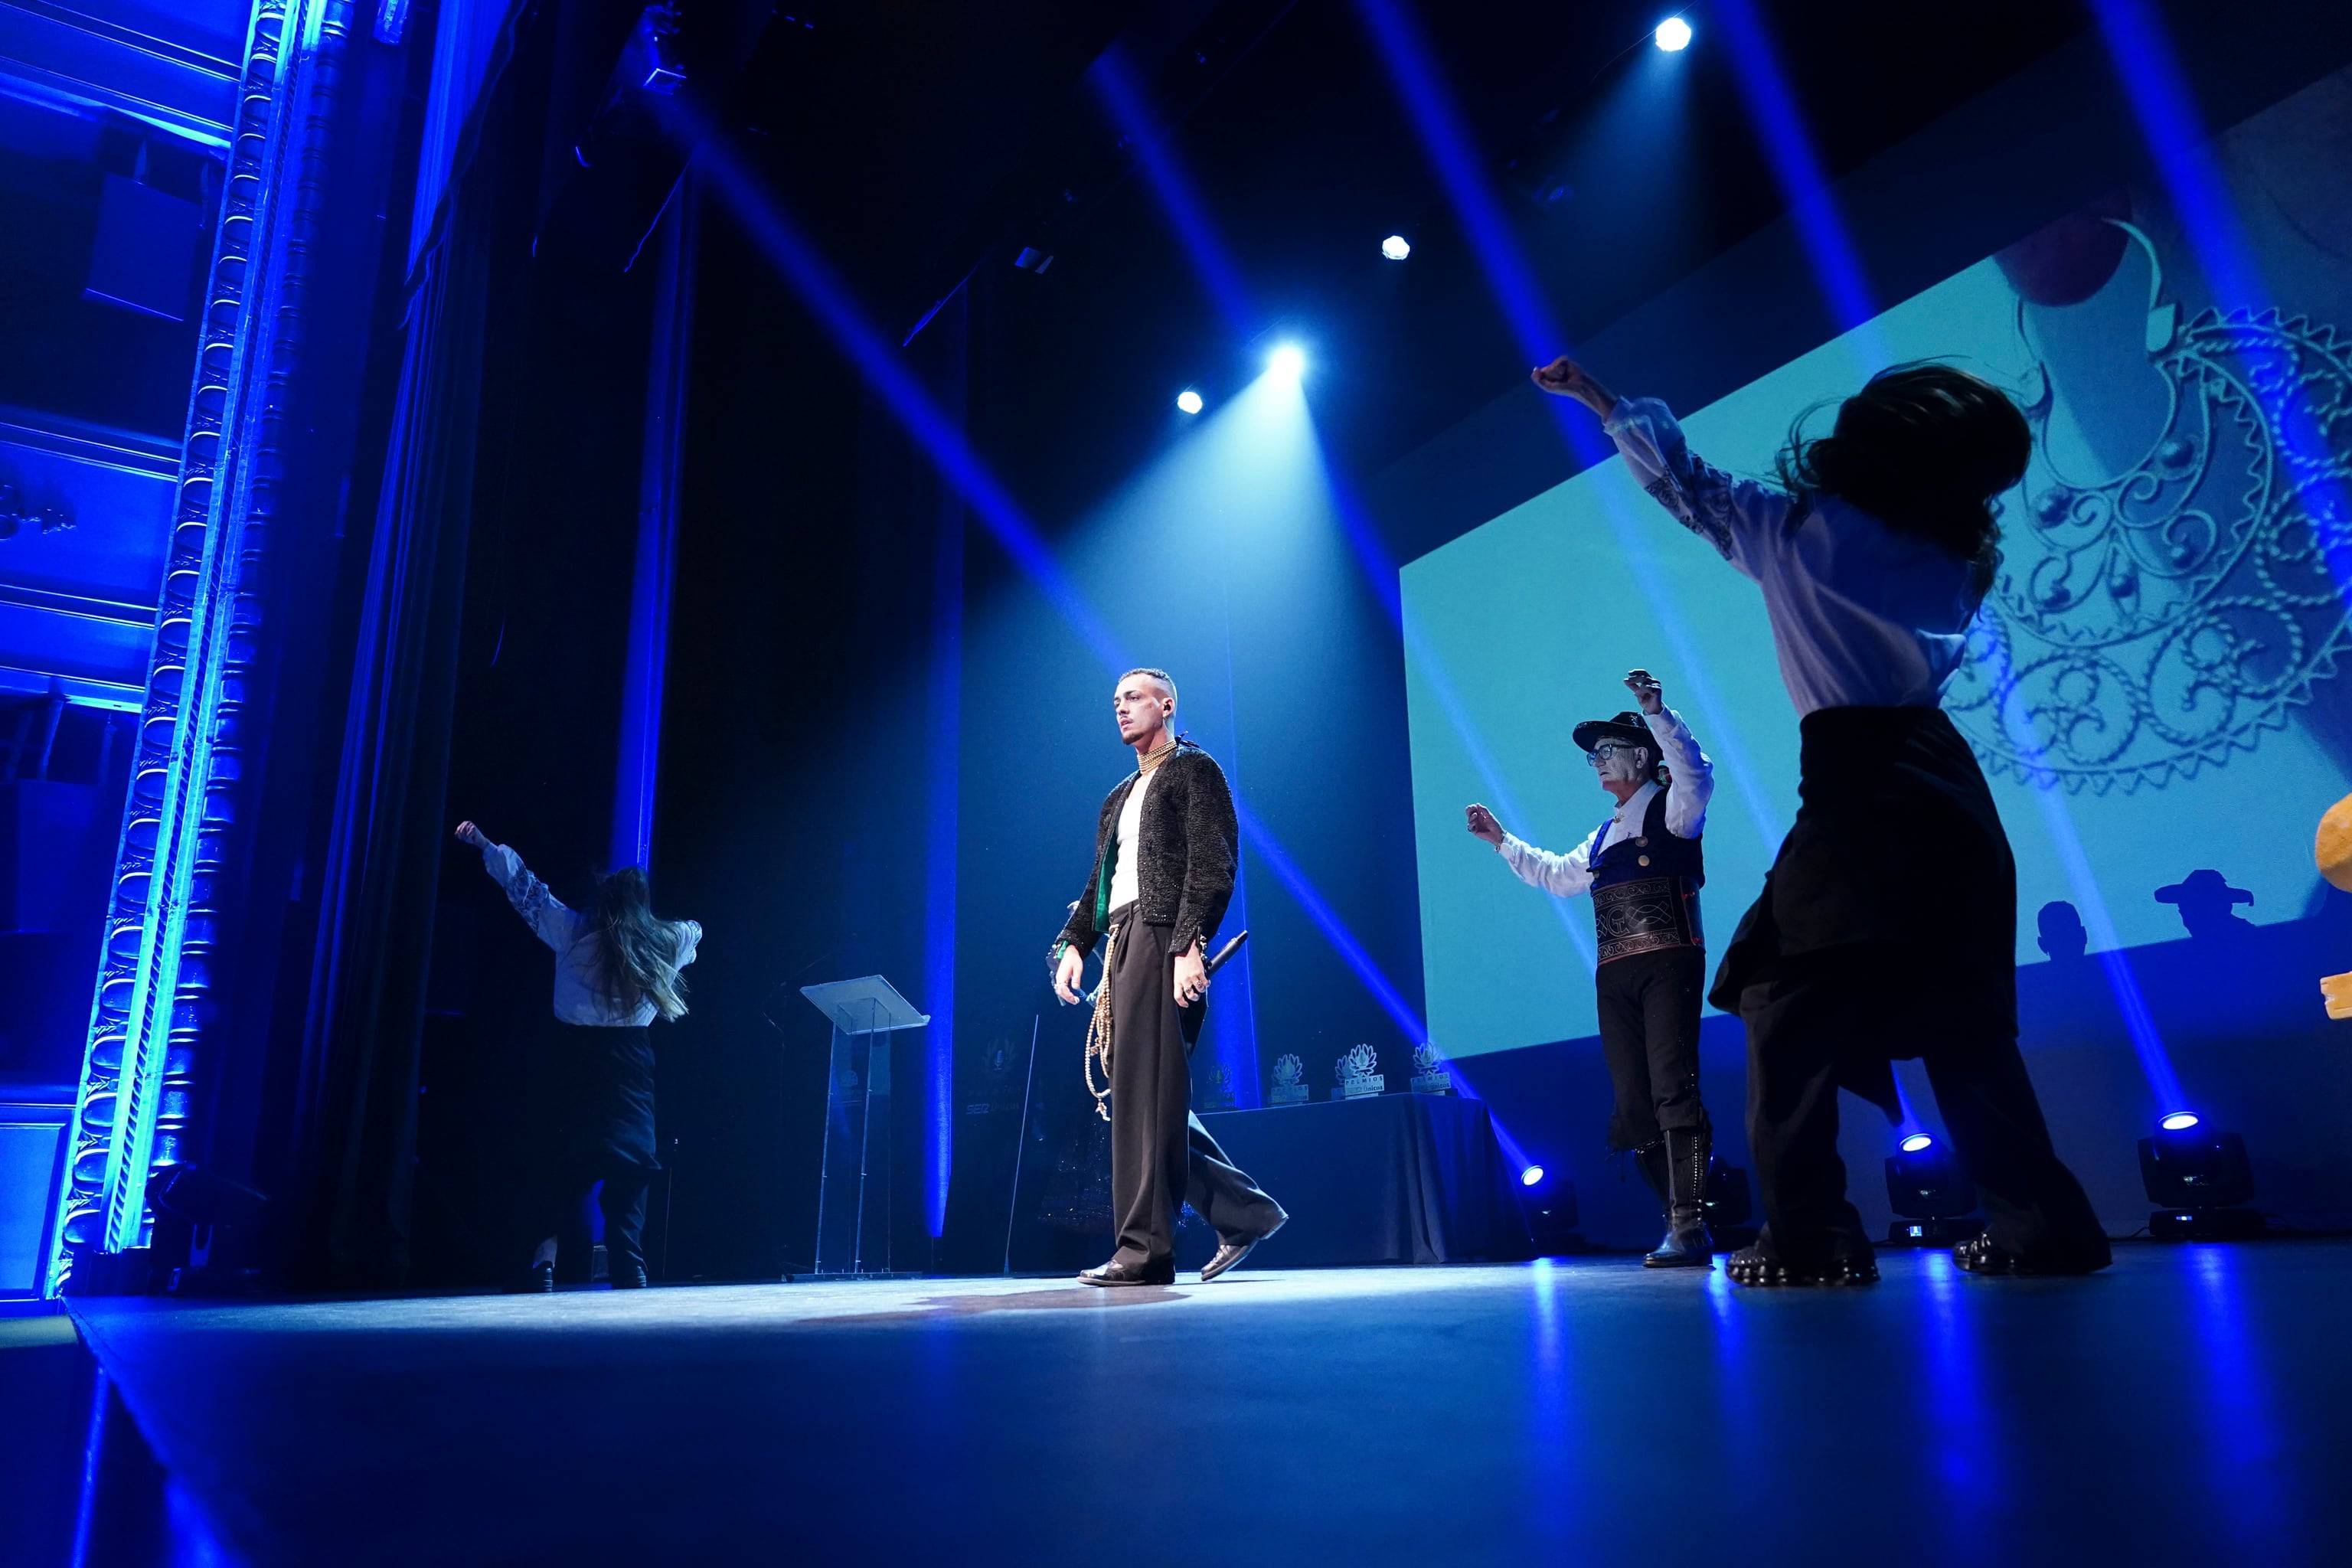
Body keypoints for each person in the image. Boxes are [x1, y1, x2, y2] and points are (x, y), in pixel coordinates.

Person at [1534, 353, 2110, 1285]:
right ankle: (2043, 1220)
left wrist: (1598, 396)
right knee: (1963, 1017)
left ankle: (1810, 1234)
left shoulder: (1802, 530)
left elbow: (1683, 481)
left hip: (1858, 782)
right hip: (1948, 789)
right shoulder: (1957, 559)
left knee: (1786, 999)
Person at [1465, 668, 1719, 1267]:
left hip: (1669, 962)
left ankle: (1690, 1223)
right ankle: (1672, 1220)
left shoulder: (1677, 809)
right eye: (1595, 756)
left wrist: (1659, 713)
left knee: (1672, 1086)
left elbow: (1695, 771)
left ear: (1639, 755)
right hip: (1616, 974)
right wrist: (1502, 840)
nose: (1599, 763)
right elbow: (1556, 876)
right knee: (1634, 1101)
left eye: (1607, 751)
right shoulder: (1603, 836)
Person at [1049, 668, 1286, 1285]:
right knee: (1145, 1098)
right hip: (1124, 942)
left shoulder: (1193, 771)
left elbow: (1212, 864)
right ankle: (1245, 1214)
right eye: (1115, 702)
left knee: (1148, 1099)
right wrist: (1077, 942)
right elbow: (1098, 886)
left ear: (1167, 704)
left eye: (1133, 698)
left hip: (1164, 938)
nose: (1121, 709)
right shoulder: (1117, 797)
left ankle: (1144, 1253)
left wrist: (1188, 946)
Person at [455, 821, 701, 1290]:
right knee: (631, 1166)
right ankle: (630, 1265)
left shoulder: (571, 932)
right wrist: (663, 931)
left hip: (574, 1060)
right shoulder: (661, 944)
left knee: (556, 1165)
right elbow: (694, 931)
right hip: (629, 1065)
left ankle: (543, 1263)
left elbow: (526, 889)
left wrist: (487, 845)